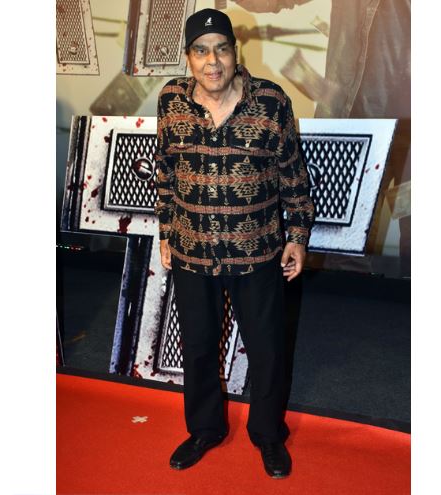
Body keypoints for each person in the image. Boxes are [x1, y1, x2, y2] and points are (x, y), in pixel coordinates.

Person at [153, 8, 314, 479]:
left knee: (267, 349)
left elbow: (293, 177)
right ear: (189, 57)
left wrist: (297, 237)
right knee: (198, 347)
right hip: (191, 251)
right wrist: (166, 232)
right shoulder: (170, 101)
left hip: (257, 252)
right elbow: (165, 173)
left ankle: (268, 434)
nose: (213, 61)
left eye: (221, 49)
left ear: (234, 52)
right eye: (201, 51)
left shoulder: (271, 102)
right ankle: (204, 430)